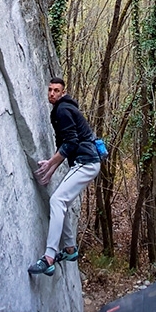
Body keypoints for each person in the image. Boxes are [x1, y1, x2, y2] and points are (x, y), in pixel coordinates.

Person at [28, 77, 101, 277]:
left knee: (57, 200)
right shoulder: (61, 109)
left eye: (56, 90)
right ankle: (69, 249)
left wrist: (50, 164)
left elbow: (70, 143)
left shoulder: (63, 111)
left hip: (86, 162)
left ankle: (49, 257)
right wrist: (51, 169)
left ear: (63, 92)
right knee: (64, 202)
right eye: (50, 89)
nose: (52, 93)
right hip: (85, 162)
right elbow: (67, 147)